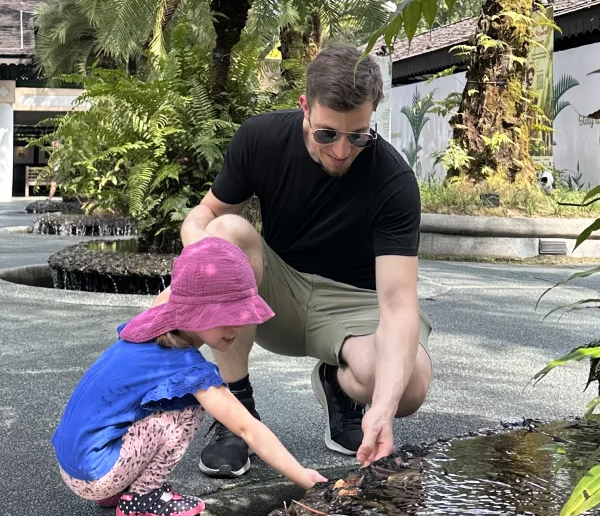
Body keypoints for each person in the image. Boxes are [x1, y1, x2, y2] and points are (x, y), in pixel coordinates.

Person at [181, 43, 432, 476]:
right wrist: (198, 252)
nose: (341, 151)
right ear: (305, 108)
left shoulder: (393, 179)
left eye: (358, 136)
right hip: (278, 293)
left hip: (353, 305)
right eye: (327, 134)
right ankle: (237, 414)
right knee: (224, 233)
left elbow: (398, 306)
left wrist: (384, 411)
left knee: (409, 386)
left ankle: (339, 386)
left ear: (372, 116)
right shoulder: (261, 139)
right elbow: (204, 215)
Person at [52, 237, 325, 516]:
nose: (238, 325)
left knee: (155, 401)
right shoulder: (185, 366)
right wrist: (303, 476)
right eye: (227, 316)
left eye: (242, 315)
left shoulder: (148, 329)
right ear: (195, 312)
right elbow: (247, 428)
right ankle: (143, 498)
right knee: (186, 406)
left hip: (76, 464)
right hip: (97, 473)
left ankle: (121, 485)